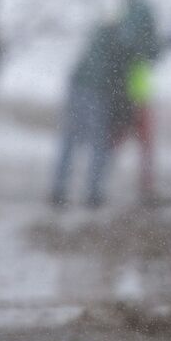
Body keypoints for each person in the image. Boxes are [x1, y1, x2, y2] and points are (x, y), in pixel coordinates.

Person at [51, 13, 135, 208]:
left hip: (78, 88)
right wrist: (123, 112)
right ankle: (93, 193)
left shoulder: (96, 37)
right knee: (99, 144)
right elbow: (119, 79)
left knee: (70, 141)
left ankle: (59, 189)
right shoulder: (120, 44)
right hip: (98, 93)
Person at [114, 0, 162, 201]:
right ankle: (146, 182)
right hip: (137, 83)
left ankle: (101, 180)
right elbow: (153, 47)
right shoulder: (143, 15)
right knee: (143, 136)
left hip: (125, 83)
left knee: (119, 134)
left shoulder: (126, 17)